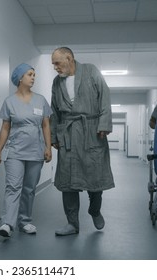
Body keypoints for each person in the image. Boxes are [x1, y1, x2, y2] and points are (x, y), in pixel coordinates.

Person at [49, 47, 115, 236]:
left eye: (57, 63)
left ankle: (94, 209)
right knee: (67, 181)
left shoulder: (91, 71)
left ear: (69, 58)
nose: (55, 67)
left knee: (95, 176)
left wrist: (104, 124)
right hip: (68, 134)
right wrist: (54, 136)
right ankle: (72, 223)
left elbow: (105, 96)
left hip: (92, 131)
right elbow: (54, 110)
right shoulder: (56, 82)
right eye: (53, 64)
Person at [0, 63, 53, 238]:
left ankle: (25, 221)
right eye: (30, 74)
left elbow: (45, 125)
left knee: (29, 188)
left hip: (36, 151)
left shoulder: (41, 100)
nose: (33, 77)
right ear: (20, 78)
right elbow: (5, 128)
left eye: (34, 74)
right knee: (13, 186)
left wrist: (48, 147)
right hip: (15, 152)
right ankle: (7, 223)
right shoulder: (9, 102)